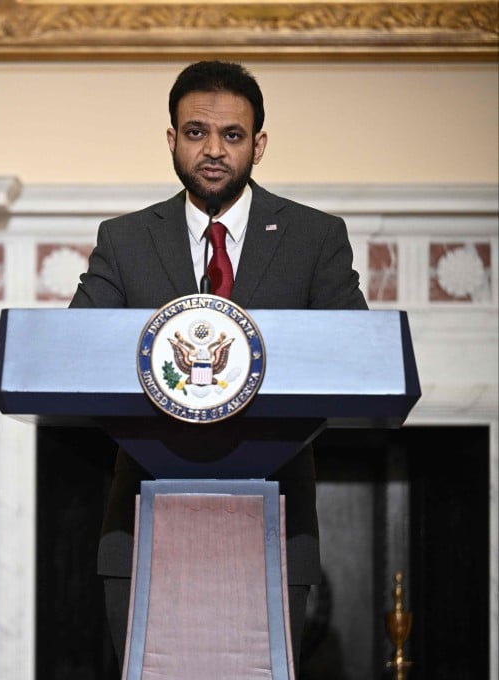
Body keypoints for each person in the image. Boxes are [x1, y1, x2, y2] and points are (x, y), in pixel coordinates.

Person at [70, 61, 367, 671]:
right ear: (172, 139)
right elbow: (76, 352)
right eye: (196, 131)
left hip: (276, 520)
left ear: (257, 144)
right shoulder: (124, 240)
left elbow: (357, 356)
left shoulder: (314, 238)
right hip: (142, 522)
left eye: (232, 135)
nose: (213, 149)